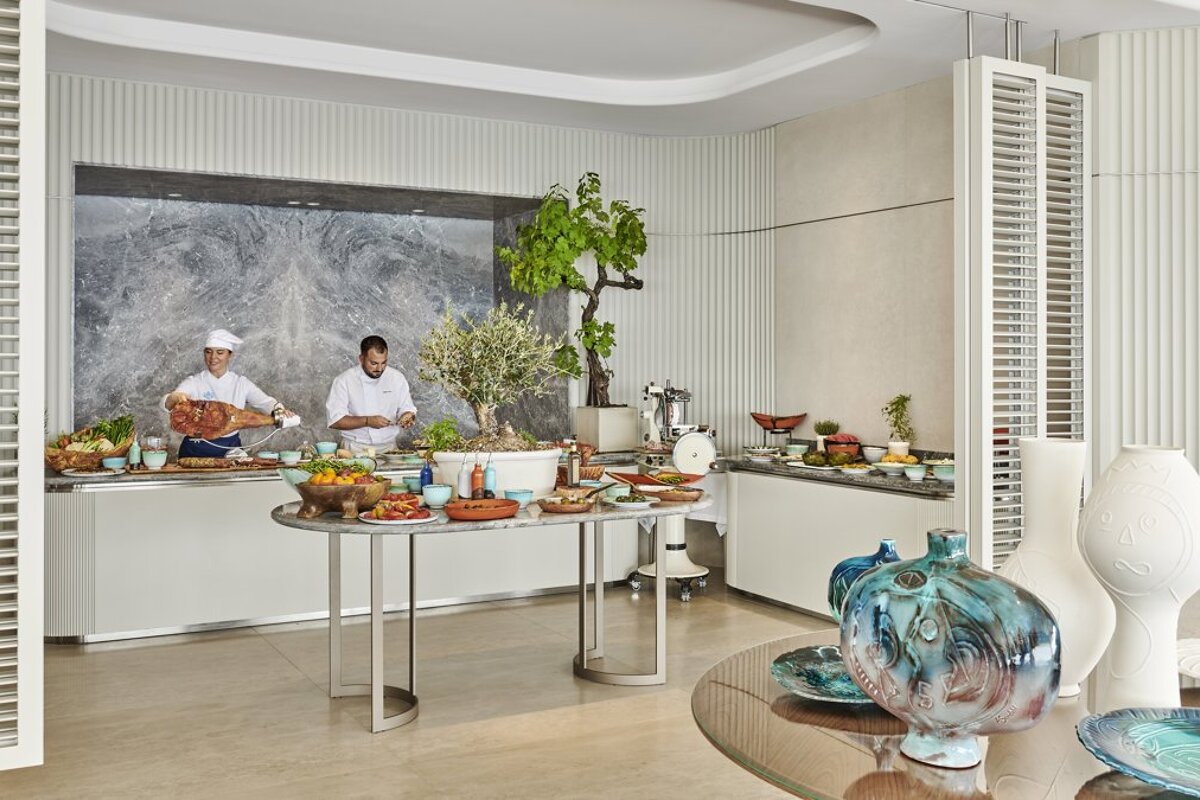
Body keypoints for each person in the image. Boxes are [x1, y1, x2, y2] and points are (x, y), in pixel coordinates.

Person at [163, 329, 293, 458]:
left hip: (230, 449)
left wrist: (280, 411)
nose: (213, 357)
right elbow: (170, 402)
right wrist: (173, 398)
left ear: (230, 355)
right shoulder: (194, 382)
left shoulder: (241, 384)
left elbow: (266, 403)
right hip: (196, 448)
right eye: (209, 352)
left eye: (220, 352)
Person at [326, 335, 417, 455]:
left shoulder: (396, 378)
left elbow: (407, 409)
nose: (379, 368)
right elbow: (335, 421)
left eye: (383, 363)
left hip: (389, 449)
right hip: (354, 449)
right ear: (361, 358)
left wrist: (407, 417)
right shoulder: (344, 380)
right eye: (373, 363)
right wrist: (367, 421)